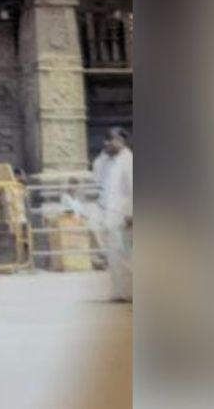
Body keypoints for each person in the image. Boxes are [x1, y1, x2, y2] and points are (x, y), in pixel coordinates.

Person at [92, 127, 133, 302]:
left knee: (125, 254)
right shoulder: (107, 161)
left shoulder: (128, 161)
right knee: (114, 256)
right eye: (106, 139)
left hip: (124, 215)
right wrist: (104, 154)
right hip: (109, 213)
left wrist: (131, 213)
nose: (106, 143)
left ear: (121, 141)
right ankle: (119, 291)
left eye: (111, 139)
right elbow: (97, 175)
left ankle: (130, 291)